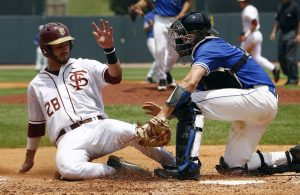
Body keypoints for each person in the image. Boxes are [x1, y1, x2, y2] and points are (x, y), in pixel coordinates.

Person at [142, 11, 300, 180]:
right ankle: (293, 158)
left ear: (195, 35)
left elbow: (189, 83)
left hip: (258, 97)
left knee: (189, 102)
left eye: (184, 35)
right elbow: (195, 93)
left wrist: (162, 115)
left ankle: (187, 168)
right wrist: (171, 112)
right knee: (233, 167)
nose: (180, 40)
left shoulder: (208, 46)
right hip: (260, 103)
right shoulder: (209, 49)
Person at [18, 20, 176, 180]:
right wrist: (28, 160)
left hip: (100, 127)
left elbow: (114, 76)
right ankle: (118, 171)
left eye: (66, 44)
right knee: (67, 169)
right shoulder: (36, 85)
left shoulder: (84, 65)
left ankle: (174, 164)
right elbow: (36, 126)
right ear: (46, 50)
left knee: (138, 133)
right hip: (68, 140)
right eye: (59, 46)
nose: (65, 49)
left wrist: (109, 49)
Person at [131, 0, 193, 91]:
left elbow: (188, 1)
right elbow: (145, 1)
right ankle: (162, 78)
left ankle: (167, 71)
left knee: (176, 51)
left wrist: (182, 13)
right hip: (160, 20)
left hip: (176, 19)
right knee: (160, 50)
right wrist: (137, 6)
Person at [237, 0, 280, 83]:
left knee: (240, 54)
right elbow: (253, 23)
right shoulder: (253, 8)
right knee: (257, 57)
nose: (239, 3)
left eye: (241, 2)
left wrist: (246, 35)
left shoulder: (247, 10)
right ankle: (273, 69)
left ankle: (241, 77)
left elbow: (254, 22)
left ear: (245, 2)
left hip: (251, 36)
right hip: (257, 35)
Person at [270, 0, 300, 85]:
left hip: (292, 32)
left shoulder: (294, 6)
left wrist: (298, 34)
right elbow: (277, 21)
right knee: (281, 57)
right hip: (283, 33)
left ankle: (293, 79)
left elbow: (298, 21)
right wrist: (273, 32)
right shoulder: (281, 6)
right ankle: (289, 75)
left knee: (290, 57)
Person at [144, 9, 157, 83]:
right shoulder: (149, 15)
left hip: (161, 40)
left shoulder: (163, 14)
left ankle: (157, 77)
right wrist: (149, 25)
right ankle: (149, 76)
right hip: (151, 39)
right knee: (158, 58)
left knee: (161, 59)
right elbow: (145, 29)